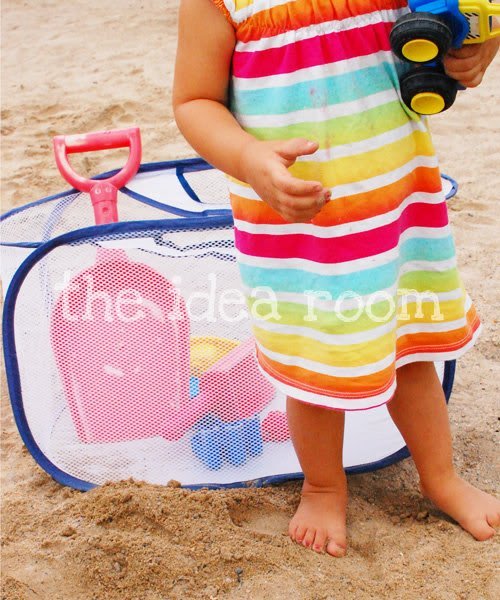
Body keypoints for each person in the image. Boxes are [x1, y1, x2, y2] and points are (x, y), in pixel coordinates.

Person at [173, 0, 500, 556]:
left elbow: (468, 11)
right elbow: (194, 100)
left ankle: (441, 478)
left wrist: (481, 46)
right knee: (312, 356)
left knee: (410, 346)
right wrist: (249, 159)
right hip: (296, 217)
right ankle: (323, 486)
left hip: (391, 204)